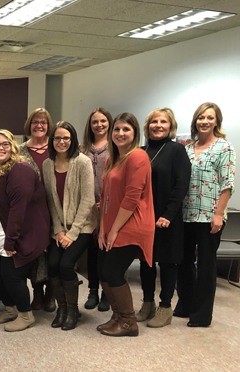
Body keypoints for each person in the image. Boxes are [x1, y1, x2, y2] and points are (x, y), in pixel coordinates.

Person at [175, 102, 236, 327]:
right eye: (201, 117)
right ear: (195, 121)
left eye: (210, 117)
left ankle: (201, 315)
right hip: (185, 214)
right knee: (183, 262)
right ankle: (185, 305)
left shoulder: (224, 147)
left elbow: (227, 183)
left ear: (216, 121)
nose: (205, 121)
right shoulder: (187, 148)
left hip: (210, 216)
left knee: (206, 265)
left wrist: (219, 214)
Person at [0, 129, 50, 332]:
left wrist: (11, 241)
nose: (0, 148)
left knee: (11, 275)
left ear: (13, 147)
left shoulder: (20, 171)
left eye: (5, 144)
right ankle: (10, 309)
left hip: (20, 234)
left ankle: (25, 314)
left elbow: (18, 212)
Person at [97, 113, 155, 337]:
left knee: (113, 272)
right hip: (111, 224)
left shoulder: (137, 157)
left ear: (135, 133)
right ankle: (118, 316)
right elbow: (105, 197)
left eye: (126, 129)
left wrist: (113, 230)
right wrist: (102, 229)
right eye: (117, 129)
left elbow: (131, 199)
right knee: (102, 271)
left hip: (132, 224)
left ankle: (129, 322)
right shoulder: (113, 158)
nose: (120, 134)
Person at [135, 108, 191, 328]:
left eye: (163, 122)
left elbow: (181, 184)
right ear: (147, 126)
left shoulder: (177, 150)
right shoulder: (141, 150)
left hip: (167, 217)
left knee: (167, 262)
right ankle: (147, 303)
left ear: (171, 126)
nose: (158, 125)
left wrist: (168, 214)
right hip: (143, 217)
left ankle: (165, 307)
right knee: (145, 261)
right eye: (153, 122)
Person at [43, 121, 97, 331]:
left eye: (66, 138)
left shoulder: (82, 162)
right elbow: (50, 199)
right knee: (53, 264)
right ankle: (62, 308)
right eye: (57, 138)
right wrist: (58, 230)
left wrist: (72, 233)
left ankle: (73, 310)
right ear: (52, 140)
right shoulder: (48, 164)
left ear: (73, 139)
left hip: (81, 227)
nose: (62, 141)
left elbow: (87, 200)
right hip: (59, 229)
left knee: (66, 264)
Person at [19, 108, 55, 312]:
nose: (39, 126)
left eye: (43, 122)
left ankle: (51, 293)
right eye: (35, 122)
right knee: (35, 252)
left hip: (55, 209)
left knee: (53, 252)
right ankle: (37, 293)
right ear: (29, 125)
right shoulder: (20, 150)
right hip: (31, 211)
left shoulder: (57, 147)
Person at [80, 108, 113, 311]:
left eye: (102, 121)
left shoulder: (115, 148)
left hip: (109, 209)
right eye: (95, 122)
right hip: (88, 209)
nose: (99, 125)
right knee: (91, 253)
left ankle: (107, 294)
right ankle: (92, 291)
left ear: (109, 122)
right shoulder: (83, 149)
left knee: (107, 253)